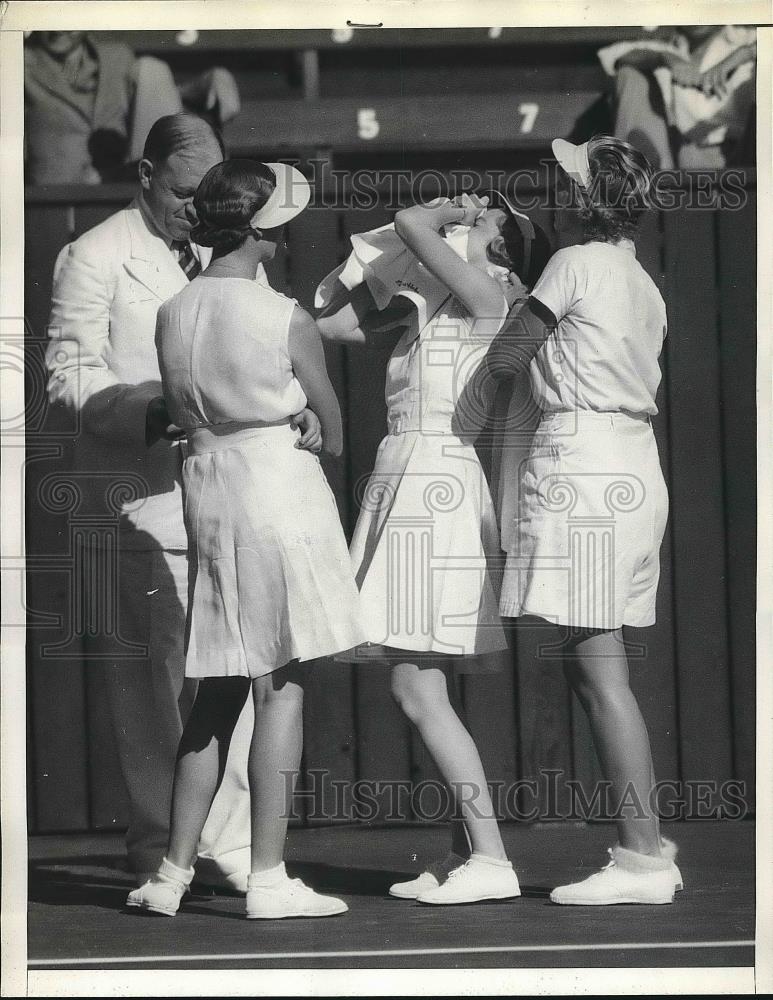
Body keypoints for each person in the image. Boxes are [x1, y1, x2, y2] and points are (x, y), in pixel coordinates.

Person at [46, 113, 320, 893]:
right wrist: (149, 407)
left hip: (225, 496)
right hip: (134, 500)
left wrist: (294, 399)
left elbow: (263, 346)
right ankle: (165, 843)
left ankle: (223, 847)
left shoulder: (227, 250)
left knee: (228, 674)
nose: (194, 209)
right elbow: (68, 375)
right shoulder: (93, 255)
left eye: (206, 194)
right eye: (178, 192)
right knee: (151, 687)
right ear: (142, 174)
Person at [126, 159, 365, 920]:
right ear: (266, 232)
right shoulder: (284, 315)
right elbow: (330, 434)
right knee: (280, 685)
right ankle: (268, 878)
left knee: (216, 692)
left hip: (209, 491)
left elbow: (187, 408)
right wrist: (305, 420)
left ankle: (169, 876)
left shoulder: (171, 309)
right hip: (272, 493)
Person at [316, 193, 550, 905]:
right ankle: (463, 854)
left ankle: (490, 858)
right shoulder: (438, 302)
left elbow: (416, 226)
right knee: (423, 682)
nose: (465, 222)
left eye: (482, 222)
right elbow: (327, 321)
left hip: (432, 488)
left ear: (504, 254)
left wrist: (445, 204)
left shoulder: (491, 299)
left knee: (413, 683)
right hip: (408, 481)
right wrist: (395, 267)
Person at [485, 134, 683, 904]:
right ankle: (645, 841)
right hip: (630, 466)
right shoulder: (639, 281)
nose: (548, 188)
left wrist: (501, 279)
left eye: (560, 183)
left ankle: (641, 859)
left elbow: (507, 356)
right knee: (591, 669)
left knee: (600, 676)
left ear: (580, 200)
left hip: (587, 468)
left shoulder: (571, 265)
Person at [25, 31, 241, 184]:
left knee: (152, 68)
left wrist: (211, 81)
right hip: (56, 204)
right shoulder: (17, 62)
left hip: (124, 190)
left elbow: (158, 95)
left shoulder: (116, 56)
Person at [598, 25, 757, 169]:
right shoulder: (668, 43)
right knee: (631, 75)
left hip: (737, 154)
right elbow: (612, 55)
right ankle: (637, 170)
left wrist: (743, 55)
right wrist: (665, 58)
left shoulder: (746, 37)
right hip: (676, 153)